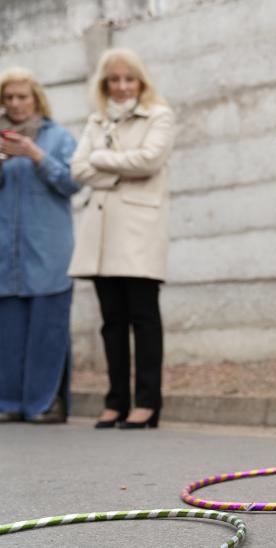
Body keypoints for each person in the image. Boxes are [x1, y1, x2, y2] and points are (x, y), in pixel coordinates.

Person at [68, 48, 175, 430]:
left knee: (143, 318)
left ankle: (147, 402)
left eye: (129, 79)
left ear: (140, 82)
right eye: (114, 80)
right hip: (101, 234)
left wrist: (101, 160)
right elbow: (77, 167)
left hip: (139, 232)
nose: (122, 86)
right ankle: (115, 400)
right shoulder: (97, 121)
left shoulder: (159, 115)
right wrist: (112, 166)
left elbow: (149, 160)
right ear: (105, 84)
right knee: (111, 320)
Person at [0, 68, 79, 424]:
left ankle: (45, 403)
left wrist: (34, 154)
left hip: (48, 250)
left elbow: (72, 182)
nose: (16, 104)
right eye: (9, 97)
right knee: (9, 335)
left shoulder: (58, 137)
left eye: (22, 96)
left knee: (48, 331)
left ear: (36, 99)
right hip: (6, 255)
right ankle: (10, 403)